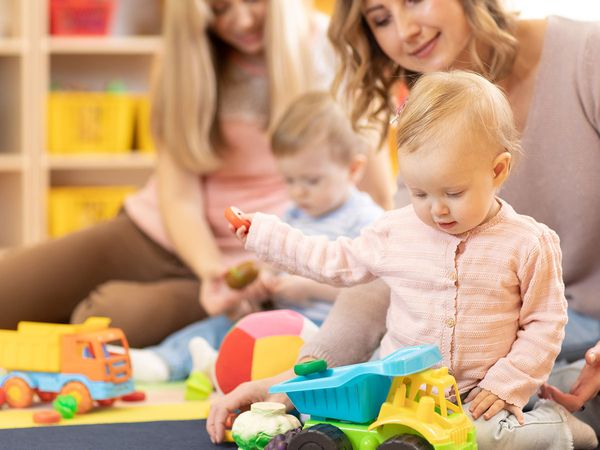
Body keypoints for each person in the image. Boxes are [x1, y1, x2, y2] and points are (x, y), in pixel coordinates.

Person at [207, 0, 600, 442]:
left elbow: (545, 323)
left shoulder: (588, 55)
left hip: (557, 347)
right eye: (380, 18)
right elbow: (372, 278)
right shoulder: (424, 154)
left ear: (498, 169)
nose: (406, 30)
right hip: (448, 389)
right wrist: (296, 386)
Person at [0, 0, 395, 348]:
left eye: (254, 2)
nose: (241, 20)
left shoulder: (329, 47)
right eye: (220, 9)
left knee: (105, 318)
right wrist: (210, 269)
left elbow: (375, 183)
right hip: (162, 236)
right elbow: (178, 197)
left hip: (258, 266)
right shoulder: (182, 59)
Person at [127, 91, 384, 382]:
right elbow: (274, 262)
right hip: (280, 316)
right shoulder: (295, 214)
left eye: (311, 180)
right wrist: (263, 281)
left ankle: (222, 369)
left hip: (330, 328)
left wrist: (310, 289)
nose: (298, 191)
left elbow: (374, 292)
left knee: (295, 355)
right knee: (226, 325)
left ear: (353, 169)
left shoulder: (367, 220)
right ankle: (165, 360)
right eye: (288, 180)